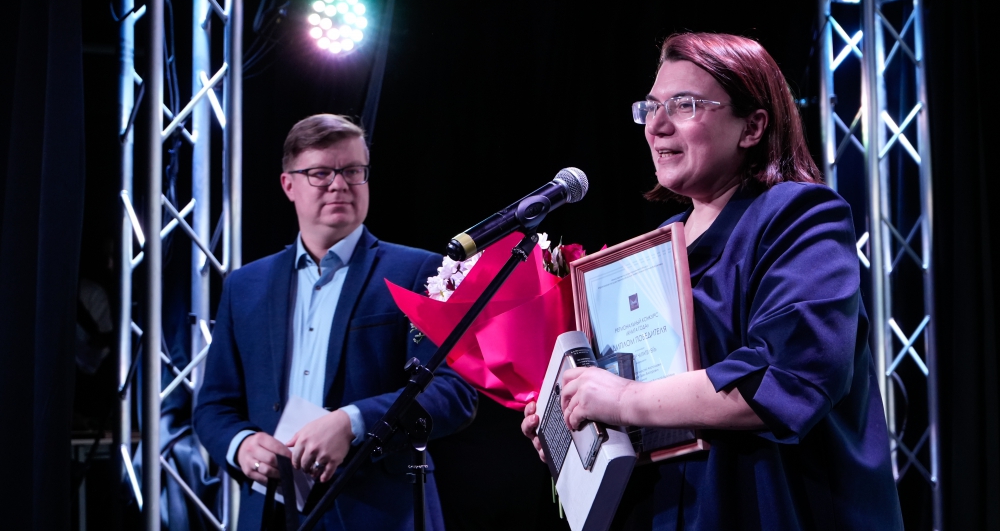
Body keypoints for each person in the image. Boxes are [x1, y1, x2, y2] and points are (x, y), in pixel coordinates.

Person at [521, 32, 904, 529]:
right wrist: (574, 424)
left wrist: (622, 398)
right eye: (651, 107)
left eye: (684, 105)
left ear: (752, 126)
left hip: (772, 507)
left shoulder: (801, 217)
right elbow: (642, 406)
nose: (656, 125)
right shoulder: (653, 250)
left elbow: (788, 377)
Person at [194, 114, 477, 530]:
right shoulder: (245, 286)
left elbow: (455, 392)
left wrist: (353, 422)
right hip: (273, 509)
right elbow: (213, 406)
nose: (339, 184)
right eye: (320, 173)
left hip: (382, 513)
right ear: (288, 185)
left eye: (353, 171)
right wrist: (241, 445)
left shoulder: (419, 272)